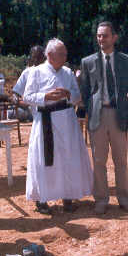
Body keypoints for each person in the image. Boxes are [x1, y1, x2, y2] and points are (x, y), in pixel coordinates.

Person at [23, 39, 93, 214]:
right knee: (43, 161)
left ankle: (68, 197)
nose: (65, 56)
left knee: (68, 158)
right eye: (61, 54)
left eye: (65, 53)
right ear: (49, 55)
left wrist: (68, 94)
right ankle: (41, 199)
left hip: (67, 120)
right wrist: (46, 96)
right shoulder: (36, 72)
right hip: (45, 120)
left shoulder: (68, 72)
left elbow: (77, 97)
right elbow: (27, 96)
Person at [80, 21, 128, 215]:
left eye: (105, 35)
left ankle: (124, 199)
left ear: (114, 37)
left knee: (121, 160)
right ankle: (101, 199)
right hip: (98, 116)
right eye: (98, 35)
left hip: (119, 115)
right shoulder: (87, 62)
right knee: (99, 161)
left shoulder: (127, 61)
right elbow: (85, 91)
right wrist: (88, 114)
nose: (101, 39)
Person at [9, 45, 45, 122]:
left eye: (39, 57)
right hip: (29, 108)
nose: (36, 60)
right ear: (31, 58)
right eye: (34, 57)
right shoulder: (27, 72)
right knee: (12, 112)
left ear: (44, 57)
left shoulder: (49, 72)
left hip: (45, 107)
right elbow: (15, 93)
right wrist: (16, 100)